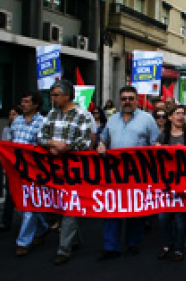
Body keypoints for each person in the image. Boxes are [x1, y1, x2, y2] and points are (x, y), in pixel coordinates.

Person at [97, 86, 160, 261]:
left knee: (134, 210)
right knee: (112, 209)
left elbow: (156, 143)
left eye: (131, 98)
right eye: (124, 98)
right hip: (114, 173)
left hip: (137, 173)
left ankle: (133, 244)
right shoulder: (112, 119)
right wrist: (101, 145)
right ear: (119, 100)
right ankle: (111, 247)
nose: (127, 101)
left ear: (137, 100)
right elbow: (104, 139)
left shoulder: (147, 119)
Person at [38, 80, 93, 265]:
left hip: (73, 168)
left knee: (69, 207)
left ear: (67, 95)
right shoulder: (51, 114)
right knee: (59, 206)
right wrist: (53, 144)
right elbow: (40, 136)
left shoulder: (82, 115)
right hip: (52, 168)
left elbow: (85, 143)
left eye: (55, 95)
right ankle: (75, 239)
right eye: (51, 95)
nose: (52, 99)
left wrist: (65, 148)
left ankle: (64, 249)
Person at [155, 105, 186, 262]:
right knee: (163, 218)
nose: (180, 116)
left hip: (183, 181)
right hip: (166, 182)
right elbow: (156, 152)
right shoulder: (163, 136)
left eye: (182, 113)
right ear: (170, 117)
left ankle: (179, 248)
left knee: (180, 219)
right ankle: (167, 244)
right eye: (177, 113)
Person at [8, 94, 46, 250]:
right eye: (21, 101)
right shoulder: (16, 122)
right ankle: (42, 228)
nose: (22, 104)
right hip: (17, 170)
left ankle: (23, 242)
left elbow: (43, 145)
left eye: (26, 102)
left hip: (33, 170)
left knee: (29, 205)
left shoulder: (42, 122)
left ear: (35, 105)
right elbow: (11, 142)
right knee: (23, 204)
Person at [0, 105, 21, 231]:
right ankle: (6, 221)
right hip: (11, 166)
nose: (11, 117)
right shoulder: (7, 130)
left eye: (14, 114)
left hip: (22, 166)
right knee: (10, 193)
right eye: (10, 114)